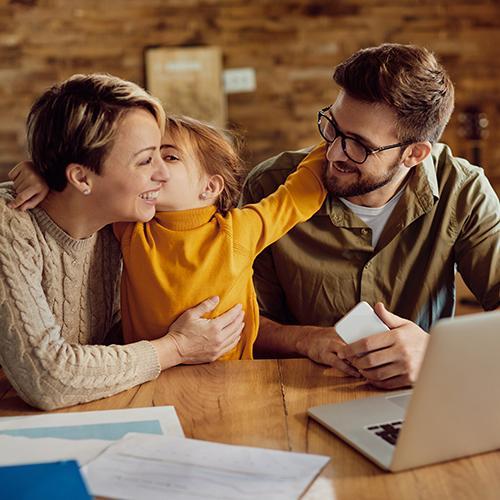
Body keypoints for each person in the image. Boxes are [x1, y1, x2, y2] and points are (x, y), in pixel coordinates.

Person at [241, 43, 500, 388]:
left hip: (421, 397)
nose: (333, 153)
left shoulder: (463, 191)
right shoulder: (269, 185)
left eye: (359, 145)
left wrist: (435, 352)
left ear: (415, 153)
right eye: (332, 127)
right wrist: (306, 339)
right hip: (292, 393)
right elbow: (241, 321)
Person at [0, 73, 245, 411]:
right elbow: (48, 378)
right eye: (146, 160)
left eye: (164, 155)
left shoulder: (123, 224)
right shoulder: (8, 225)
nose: (162, 174)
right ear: (81, 177)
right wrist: (176, 347)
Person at [11, 114, 327, 360]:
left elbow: (298, 195)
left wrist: (333, 142)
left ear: (210, 187)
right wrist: (41, 173)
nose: (155, 169)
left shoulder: (241, 230)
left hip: (232, 376)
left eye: (170, 157)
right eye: (148, 158)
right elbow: (87, 190)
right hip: (148, 373)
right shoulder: (131, 226)